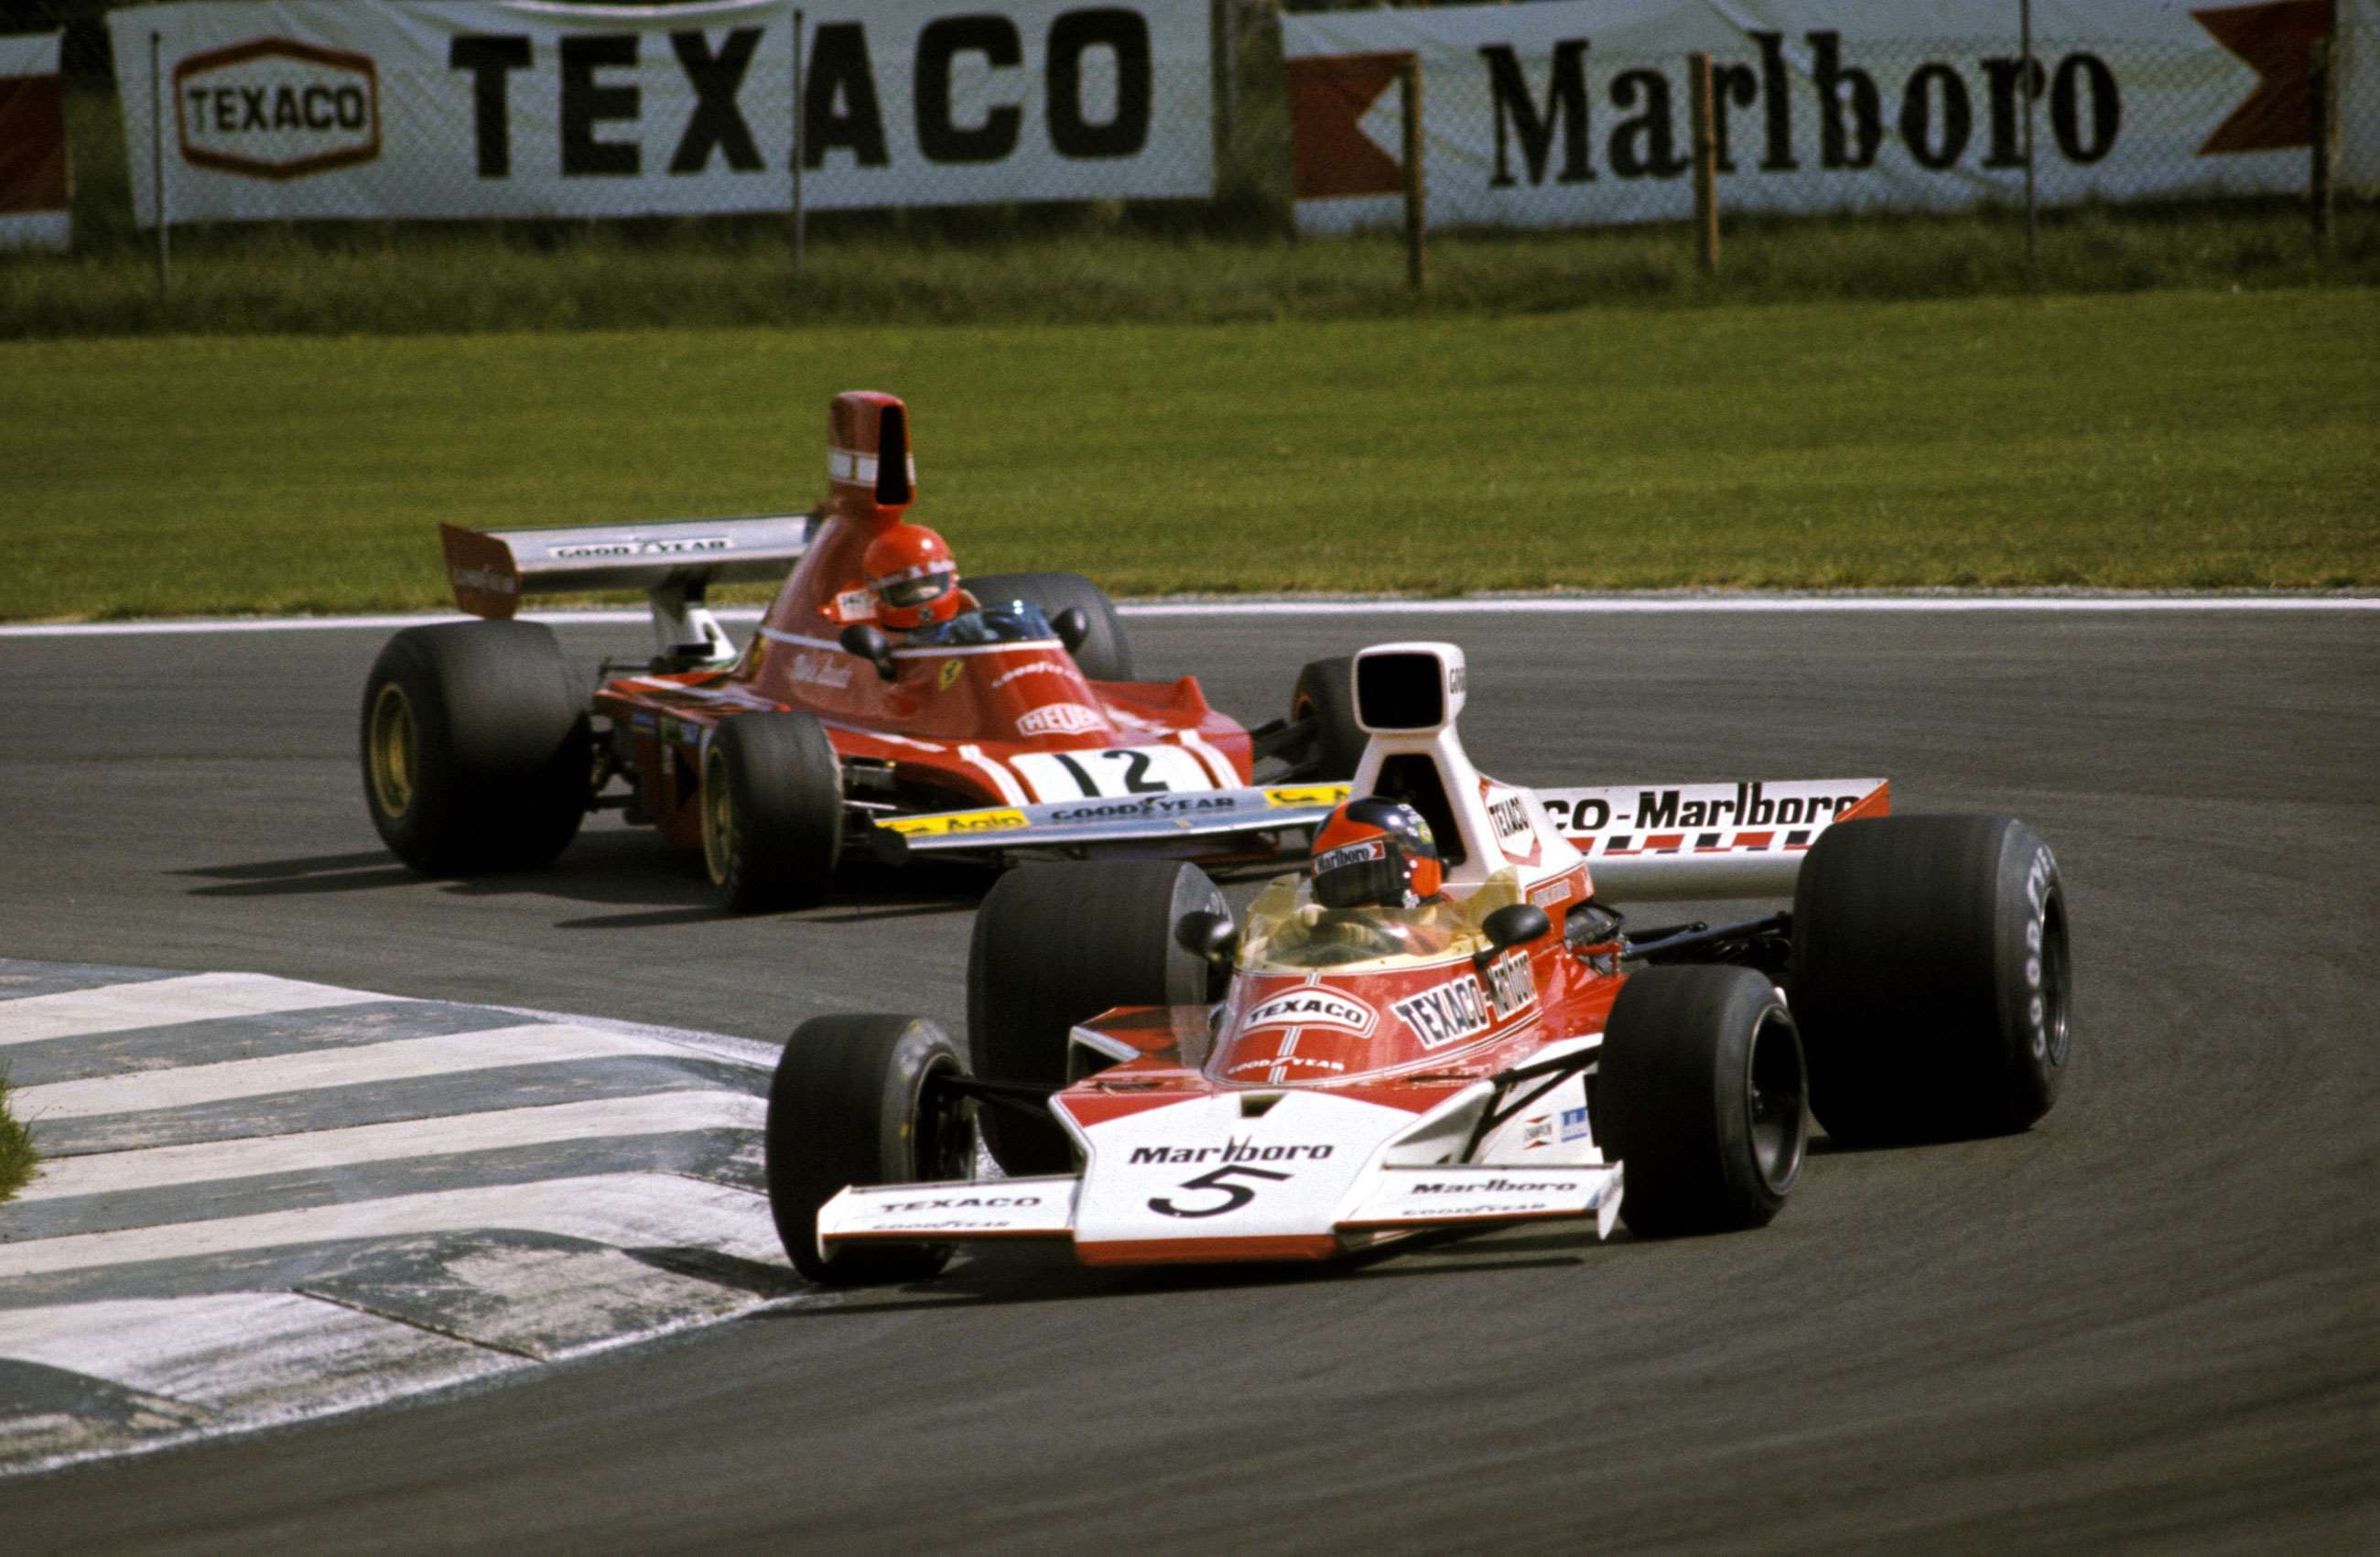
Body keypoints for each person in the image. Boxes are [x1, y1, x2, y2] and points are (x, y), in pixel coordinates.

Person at [862, 522, 968, 633]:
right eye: (904, 589)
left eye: (928, 581)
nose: (920, 593)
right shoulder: (876, 638)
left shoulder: (969, 623)